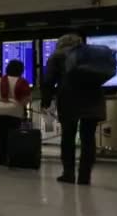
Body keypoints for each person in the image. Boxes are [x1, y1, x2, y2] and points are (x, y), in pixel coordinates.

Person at [42, 34, 105, 186]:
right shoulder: (91, 54)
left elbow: (49, 80)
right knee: (88, 139)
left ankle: (68, 173)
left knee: (68, 137)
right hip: (94, 98)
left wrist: (46, 101)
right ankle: (85, 176)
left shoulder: (57, 56)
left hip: (69, 99)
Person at [0, 60, 31, 165]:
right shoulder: (22, 81)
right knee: (13, 135)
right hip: (14, 111)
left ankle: (1, 159)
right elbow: (26, 99)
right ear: (20, 70)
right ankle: (11, 158)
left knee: (1, 135)